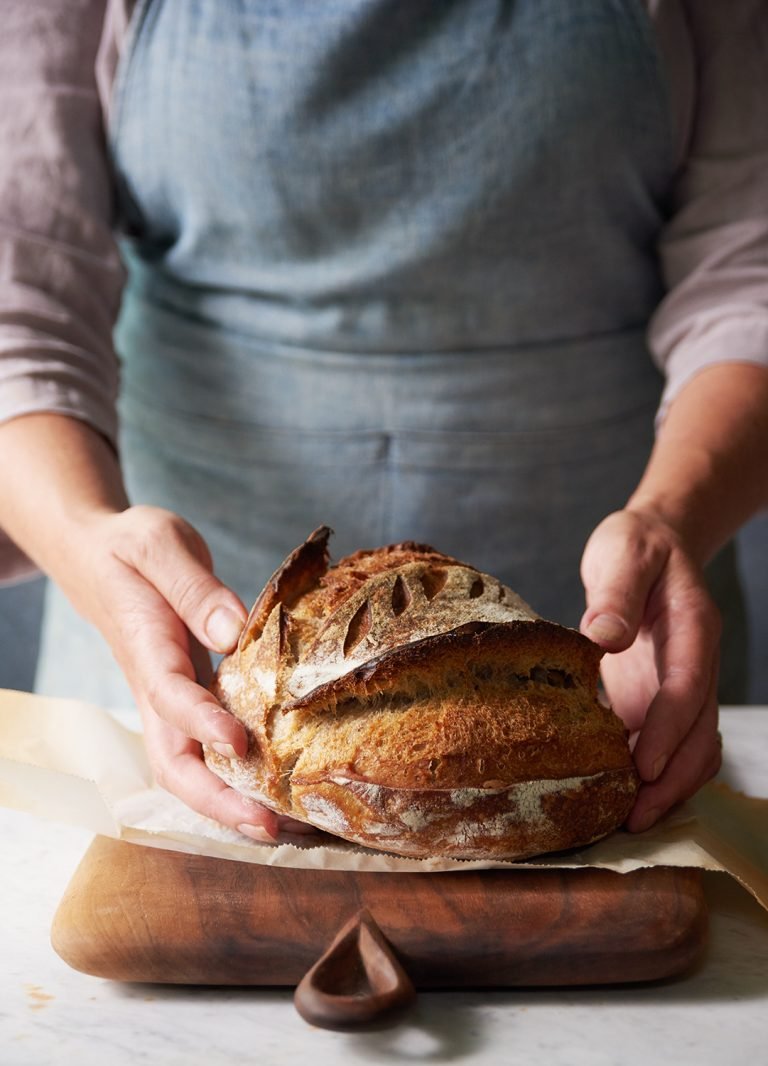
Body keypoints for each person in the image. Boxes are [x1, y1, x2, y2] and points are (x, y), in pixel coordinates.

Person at [0, 0, 766, 845]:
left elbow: (750, 275)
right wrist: (82, 537)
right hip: (167, 665)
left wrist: (672, 522)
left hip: (618, 664)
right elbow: (16, 293)